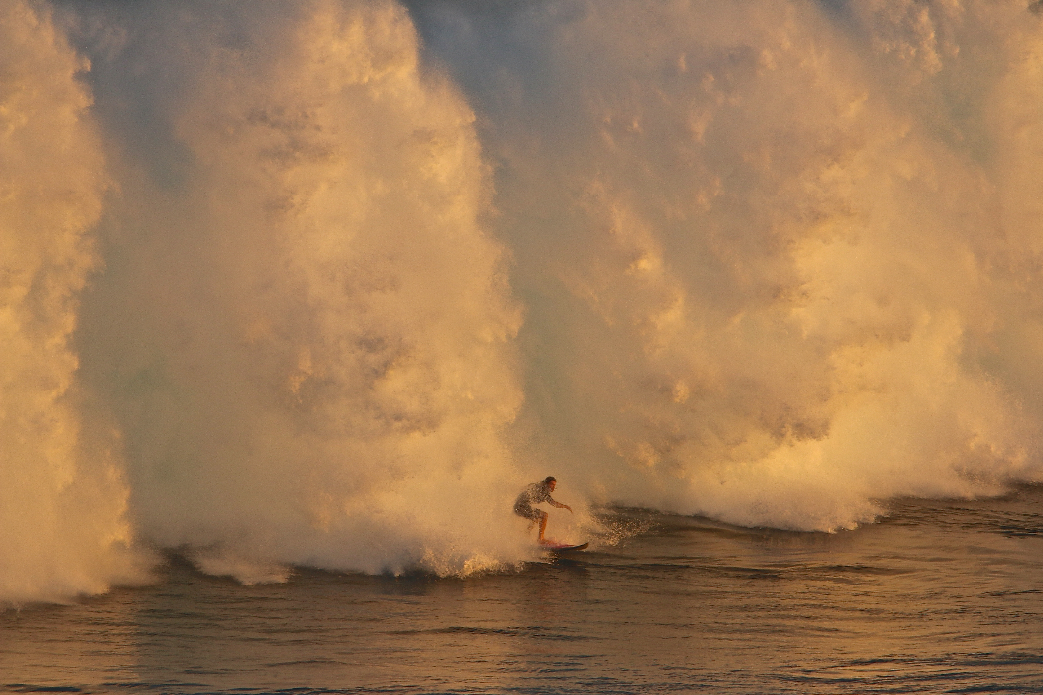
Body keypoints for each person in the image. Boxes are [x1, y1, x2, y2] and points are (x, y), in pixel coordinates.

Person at [514, 476, 572, 544]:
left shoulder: (545, 494)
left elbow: (554, 503)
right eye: (551, 484)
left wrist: (565, 506)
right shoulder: (539, 488)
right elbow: (530, 487)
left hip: (521, 507)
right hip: (520, 506)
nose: (553, 487)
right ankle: (541, 539)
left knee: (536, 518)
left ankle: (526, 535)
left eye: (554, 485)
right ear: (546, 484)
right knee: (544, 515)